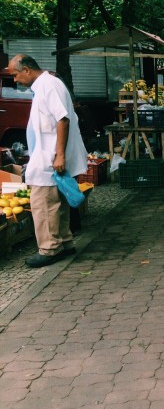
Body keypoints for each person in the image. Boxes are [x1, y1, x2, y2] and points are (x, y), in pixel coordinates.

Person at [7, 54, 88, 268]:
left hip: (50, 158)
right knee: (57, 204)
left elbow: (63, 119)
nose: (14, 80)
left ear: (26, 70)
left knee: (43, 205)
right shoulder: (46, 84)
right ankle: (65, 242)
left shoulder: (48, 85)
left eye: (15, 75)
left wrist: (59, 154)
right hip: (49, 156)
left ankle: (49, 248)